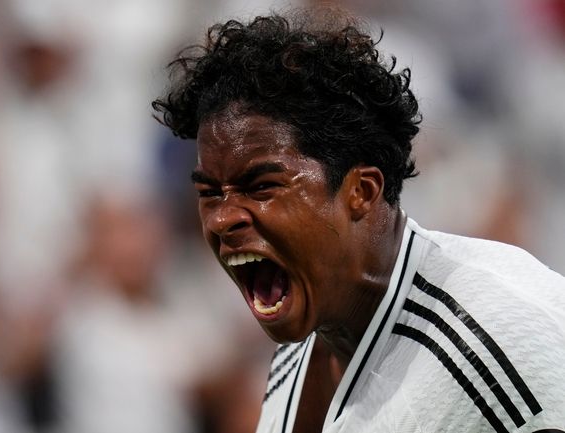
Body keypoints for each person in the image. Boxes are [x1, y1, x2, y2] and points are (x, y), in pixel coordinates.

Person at [152, 9, 565, 433]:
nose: (222, 220)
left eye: (261, 187)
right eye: (209, 194)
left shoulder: (499, 344)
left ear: (361, 192)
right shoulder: (300, 353)